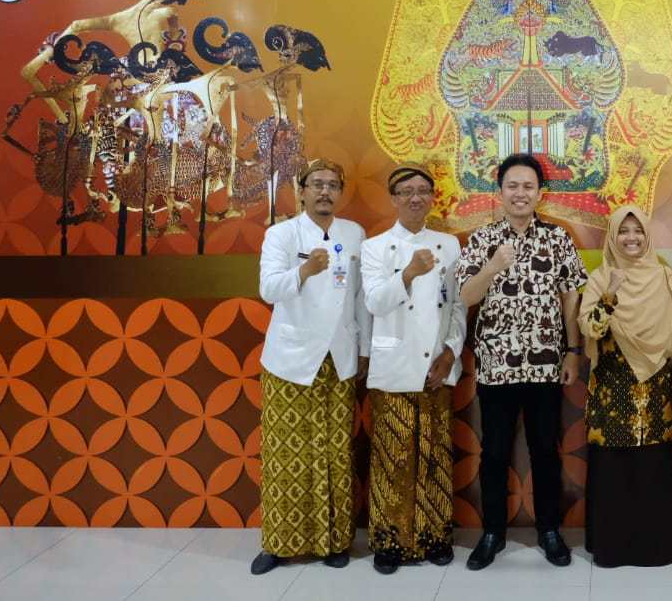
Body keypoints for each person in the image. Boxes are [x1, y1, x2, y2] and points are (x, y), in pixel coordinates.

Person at [456, 153, 588, 570]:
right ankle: (492, 534)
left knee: (545, 450)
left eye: (528, 186)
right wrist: (493, 266)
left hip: (546, 363)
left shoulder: (558, 238)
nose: (520, 193)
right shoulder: (482, 239)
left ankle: (550, 531)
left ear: (539, 193)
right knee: (494, 452)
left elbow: (570, 296)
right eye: (512, 185)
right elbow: (465, 297)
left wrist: (572, 351)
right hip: (496, 365)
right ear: (500, 191)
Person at [252, 159, 369, 575]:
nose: (325, 192)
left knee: (335, 451)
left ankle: (334, 541)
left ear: (340, 193)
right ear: (301, 191)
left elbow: (360, 298)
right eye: (317, 184)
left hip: (338, 358)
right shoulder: (281, 234)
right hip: (291, 360)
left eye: (333, 185)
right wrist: (304, 270)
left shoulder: (354, 233)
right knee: (286, 452)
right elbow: (268, 289)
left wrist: (364, 351)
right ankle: (278, 544)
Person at [361, 162, 466, 575]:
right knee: (394, 455)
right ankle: (389, 541)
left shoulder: (449, 244)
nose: (416, 198)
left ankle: (435, 536)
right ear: (393, 199)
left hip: (436, 365)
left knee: (435, 452)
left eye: (423, 190)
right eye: (406, 191)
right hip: (395, 365)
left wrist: (451, 352)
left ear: (432, 197)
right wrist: (407, 274)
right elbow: (374, 302)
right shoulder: (375, 247)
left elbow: (457, 305)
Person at [578, 205, 672, 568]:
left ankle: (656, 548)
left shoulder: (663, 275)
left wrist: (650, 351)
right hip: (612, 386)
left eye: (637, 230)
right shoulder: (601, 277)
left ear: (647, 235)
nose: (631, 238)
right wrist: (610, 295)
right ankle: (613, 547)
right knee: (613, 466)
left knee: (653, 463)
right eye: (623, 231)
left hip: (655, 384)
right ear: (613, 237)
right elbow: (591, 327)